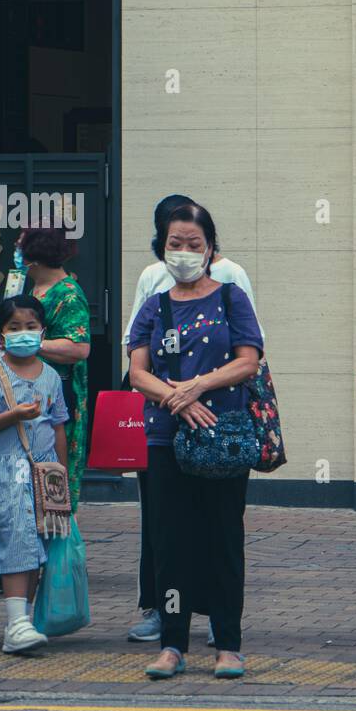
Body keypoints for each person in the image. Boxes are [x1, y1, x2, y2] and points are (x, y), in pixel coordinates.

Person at [128, 202, 262, 681]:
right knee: (170, 543)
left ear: (210, 249)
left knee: (224, 537)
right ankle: (171, 643)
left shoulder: (230, 298)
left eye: (194, 244)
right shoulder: (154, 305)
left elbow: (250, 361)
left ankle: (228, 643)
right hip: (166, 438)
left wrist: (199, 386)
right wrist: (178, 400)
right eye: (174, 244)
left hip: (223, 436)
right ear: (161, 248)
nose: (184, 253)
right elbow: (137, 372)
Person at [0, 296, 69, 656]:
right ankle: (17, 623)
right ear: (1, 333)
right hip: (4, 473)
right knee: (17, 541)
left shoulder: (52, 376)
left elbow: (58, 428)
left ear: (43, 331)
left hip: (44, 474)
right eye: (14, 327)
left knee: (39, 546)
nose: (23, 333)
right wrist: (13, 416)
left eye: (30, 326)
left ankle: (20, 623)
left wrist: (62, 477)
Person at [19, 226, 91, 509]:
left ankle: (56, 534)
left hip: (58, 399)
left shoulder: (68, 294)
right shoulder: (35, 288)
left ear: (34, 257)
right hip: (30, 392)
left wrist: (31, 345)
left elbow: (79, 347)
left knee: (52, 473)